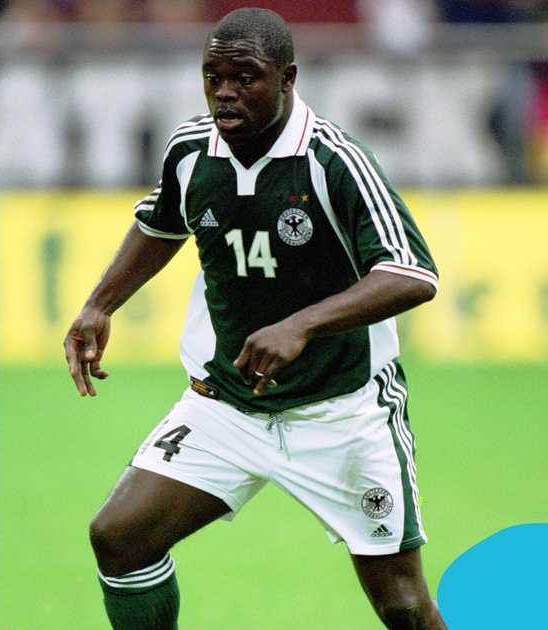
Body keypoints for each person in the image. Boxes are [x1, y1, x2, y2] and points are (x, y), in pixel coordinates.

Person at [62, 9, 446, 630]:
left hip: (341, 413)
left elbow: (413, 274)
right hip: (227, 406)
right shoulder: (191, 150)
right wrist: (100, 303)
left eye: (245, 77)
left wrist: (302, 325)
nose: (224, 92)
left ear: (287, 78)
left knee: (403, 605)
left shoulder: (333, 161)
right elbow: (161, 222)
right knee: (119, 536)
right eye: (212, 76)